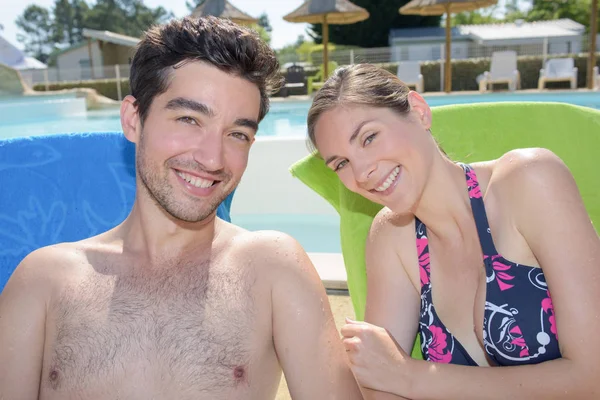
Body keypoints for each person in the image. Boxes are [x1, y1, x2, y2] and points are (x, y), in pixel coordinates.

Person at [0, 16, 363, 400]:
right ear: (132, 120)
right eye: (189, 119)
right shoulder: (43, 280)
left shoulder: (272, 267)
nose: (212, 159)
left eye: (237, 134)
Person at [307, 63, 600, 399]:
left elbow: (593, 376)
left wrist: (412, 377)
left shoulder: (528, 182)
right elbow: (380, 387)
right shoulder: (393, 238)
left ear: (418, 112)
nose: (361, 173)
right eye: (341, 163)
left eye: (369, 137)